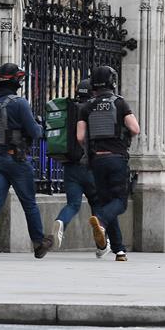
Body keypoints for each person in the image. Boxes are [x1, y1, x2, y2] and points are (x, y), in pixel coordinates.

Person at [0, 63, 53, 258]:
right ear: (17, 81)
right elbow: (34, 132)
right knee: (29, 203)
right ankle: (39, 242)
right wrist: (40, 126)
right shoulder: (19, 103)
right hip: (17, 160)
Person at [77, 66, 140, 262]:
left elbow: (80, 137)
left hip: (97, 160)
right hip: (117, 157)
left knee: (106, 201)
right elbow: (135, 128)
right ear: (112, 81)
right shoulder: (120, 103)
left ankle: (119, 250)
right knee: (119, 202)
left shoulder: (86, 106)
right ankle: (101, 220)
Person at [50, 78, 100, 250]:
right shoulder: (92, 111)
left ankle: (60, 221)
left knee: (72, 204)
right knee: (97, 202)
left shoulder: (70, 109)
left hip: (70, 165)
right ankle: (101, 239)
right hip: (89, 165)